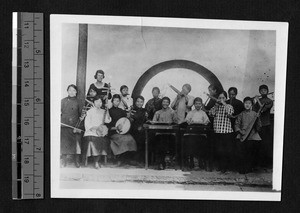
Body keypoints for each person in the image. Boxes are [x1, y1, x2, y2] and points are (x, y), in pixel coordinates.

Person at [82, 95, 111, 169]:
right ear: (93, 102)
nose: (99, 103)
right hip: (91, 131)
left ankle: (96, 161)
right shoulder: (89, 112)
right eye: (97, 101)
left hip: (100, 132)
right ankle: (96, 161)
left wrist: (107, 110)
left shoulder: (103, 111)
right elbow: (87, 125)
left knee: (103, 140)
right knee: (93, 139)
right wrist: (96, 128)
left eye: (100, 102)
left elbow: (108, 120)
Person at [235, 97, 262, 174]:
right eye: (246, 103)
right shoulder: (241, 114)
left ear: (252, 105)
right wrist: (240, 131)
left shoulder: (254, 114)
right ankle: (242, 168)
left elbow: (258, 127)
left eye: (249, 103)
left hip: (252, 135)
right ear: (244, 104)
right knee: (242, 152)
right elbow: (237, 124)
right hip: (243, 135)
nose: (247, 105)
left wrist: (258, 118)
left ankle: (249, 167)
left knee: (250, 153)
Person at [209, 91, 234, 173]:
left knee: (226, 150)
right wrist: (216, 105)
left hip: (226, 132)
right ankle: (220, 166)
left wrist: (224, 104)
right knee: (219, 150)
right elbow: (211, 114)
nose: (221, 99)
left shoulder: (229, 106)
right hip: (217, 131)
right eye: (219, 98)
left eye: (223, 98)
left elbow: (230, 113)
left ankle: (225, 167)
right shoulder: (215, 107)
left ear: (226, 99)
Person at [108, 94, 137, 166]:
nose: (116, 102)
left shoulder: (121, 111)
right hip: (113, 131)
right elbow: (107, 124)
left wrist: (129, 116)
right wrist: (116, 128)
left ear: (119, 102)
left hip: (123, 131)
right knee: (123, 140)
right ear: (112, 101)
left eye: (118, 101)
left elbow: (126, 119)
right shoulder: (109, 111)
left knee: (130, 139)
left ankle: (127, 159)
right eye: (114, 100)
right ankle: (119, 159)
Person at [183, 97, 210, 169]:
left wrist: (204, 123)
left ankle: (201, 162)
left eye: (199, 104)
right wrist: (189, 122)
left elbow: (207, 121)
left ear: (201, 104)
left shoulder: (203, 113)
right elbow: (187, 121)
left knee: (202, 146)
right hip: (192, 134)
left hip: (201, 134)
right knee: (191, 145)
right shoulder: (190, 112)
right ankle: (191, 162)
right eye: (196, 104)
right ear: (194, 104)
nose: (198, 105)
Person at [60, 84, 83, 168]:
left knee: (77, 143)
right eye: (70, 90)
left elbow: (81, 114)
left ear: (76, 92)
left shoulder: (79, 101)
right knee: (64, 143)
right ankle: (64, 162)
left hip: (75, 126)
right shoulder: (63, 101)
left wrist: (81, 119)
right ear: (67, 91)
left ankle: (77, 161)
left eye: (73, 90)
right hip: (64, 126)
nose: (71, 92)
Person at [152, 97, 177, 170]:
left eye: (167, 102)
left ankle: (166, 162)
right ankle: (161, 162)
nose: (165, 103)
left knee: (167, 142)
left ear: (169, 103)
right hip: (160, 133)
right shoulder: (158, 112)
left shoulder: (172, 112)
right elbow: (153, 122)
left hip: (170, 134)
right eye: (164, 102)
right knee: (159, 142)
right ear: (161, 103)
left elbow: (176, 123)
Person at [253, 84, 274, 168]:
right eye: (261, 91)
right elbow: (254, 110)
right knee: (258, 144)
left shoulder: (270, 101)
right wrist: (255, 101)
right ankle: (259, 163)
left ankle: (267, 164)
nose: (263, 92)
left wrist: (257, 100)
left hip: (266, 125)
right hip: (258, 125)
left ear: (267, 91)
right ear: (259, 92)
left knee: (266, 144)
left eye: (265, 90)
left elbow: (263, 109)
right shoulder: (259, 100)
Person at [130, 96, 148, 163]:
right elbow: (131, 121)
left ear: (143, 103)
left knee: (142, 138)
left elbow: (145, 121)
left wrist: (141, 127)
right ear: (135, 102)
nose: (139, 103)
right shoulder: (132, 110)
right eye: (138, 101)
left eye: (141, 102)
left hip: (142, 129)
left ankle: (140, 159)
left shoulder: (145, 111)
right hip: (133, 129)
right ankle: (134, 159)